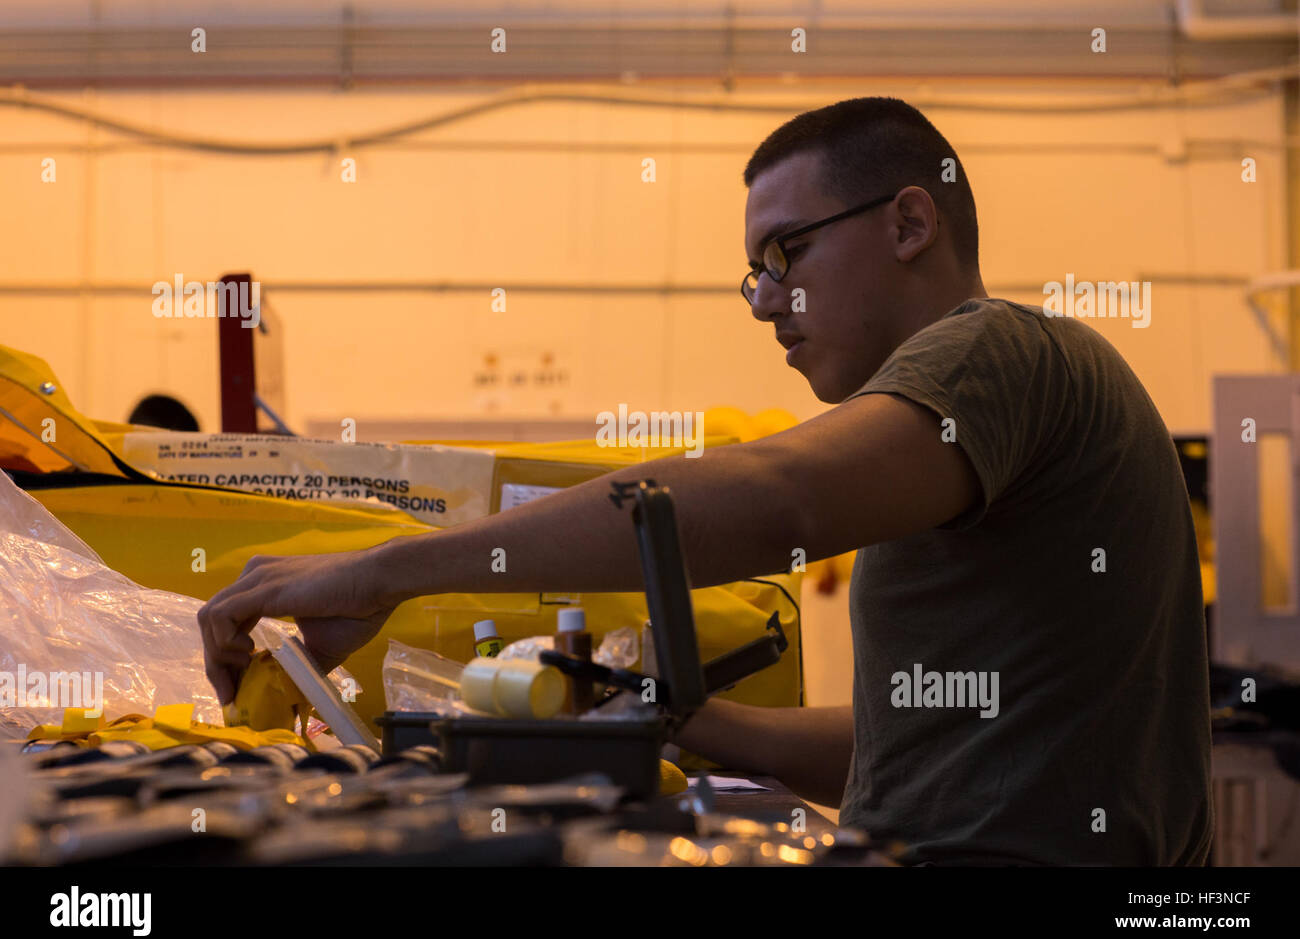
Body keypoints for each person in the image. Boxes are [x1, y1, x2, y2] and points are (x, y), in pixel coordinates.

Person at [198, 96, 1212, 865]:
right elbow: (912, 740)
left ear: (910, 223)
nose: (766, 301)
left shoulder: (997, 351)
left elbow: (780, 498)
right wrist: (666, 713)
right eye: (755, 272)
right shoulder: (964, 444)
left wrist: (384, 571)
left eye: (786, 251)